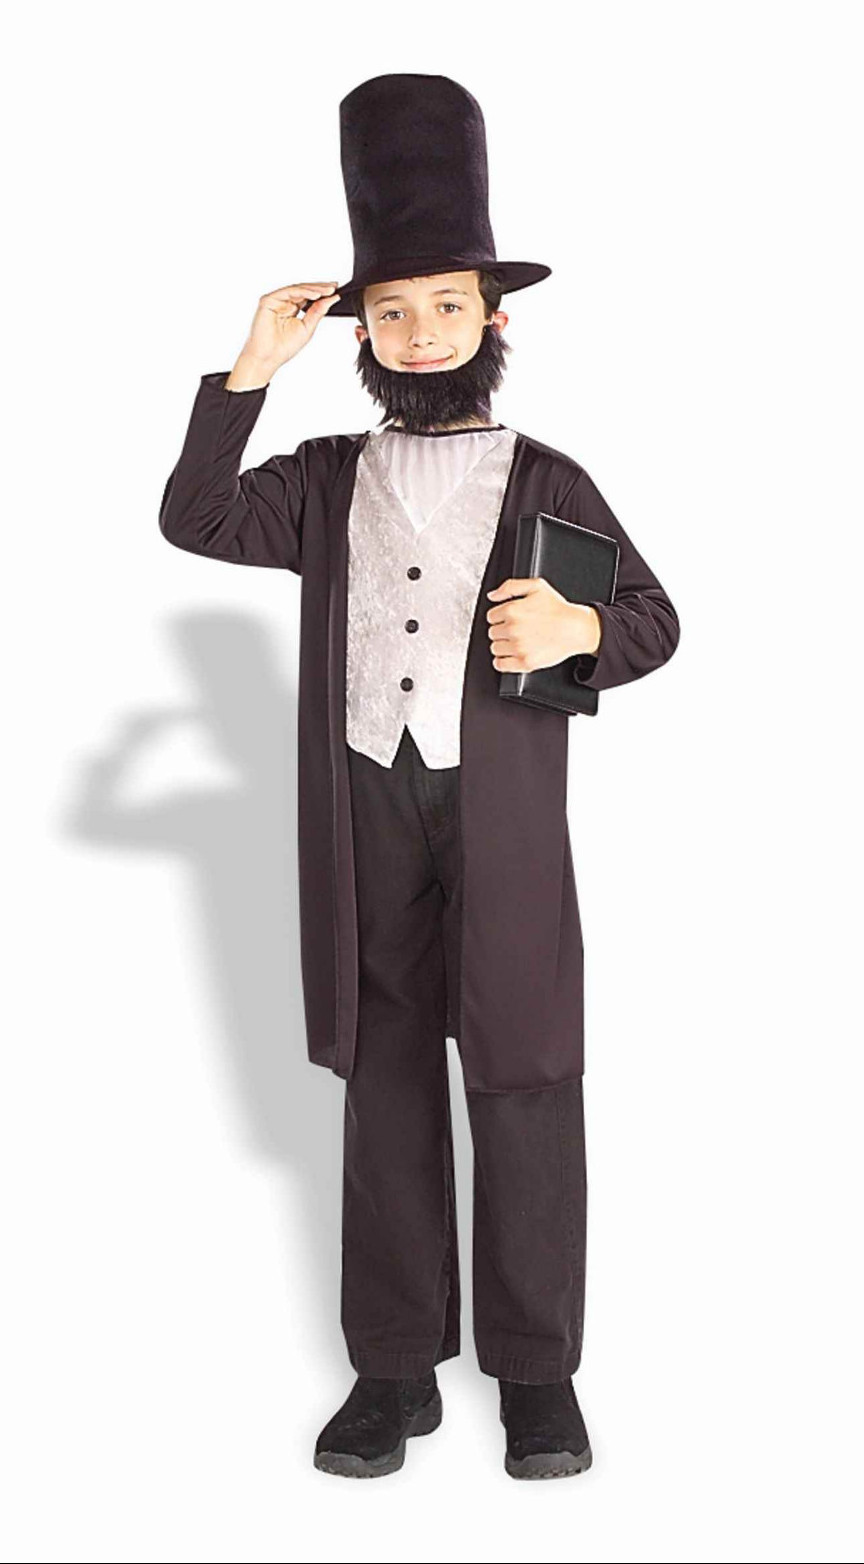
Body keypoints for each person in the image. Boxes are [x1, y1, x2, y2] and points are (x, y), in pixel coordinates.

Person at [159, 75, 680, 1481]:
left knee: (524, 1075)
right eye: (392, 312)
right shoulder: (324, 477)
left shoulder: (548, 475)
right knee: (385, 1078)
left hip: (500, 819)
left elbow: (655, 620)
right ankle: (394, 1372)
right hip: (366, 808)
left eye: (448, 304)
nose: (423, 330)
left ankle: (538, 1376)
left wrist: (579, 630)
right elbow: (196, 516)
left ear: (496, 320)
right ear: (364, 335)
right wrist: (250, 369)